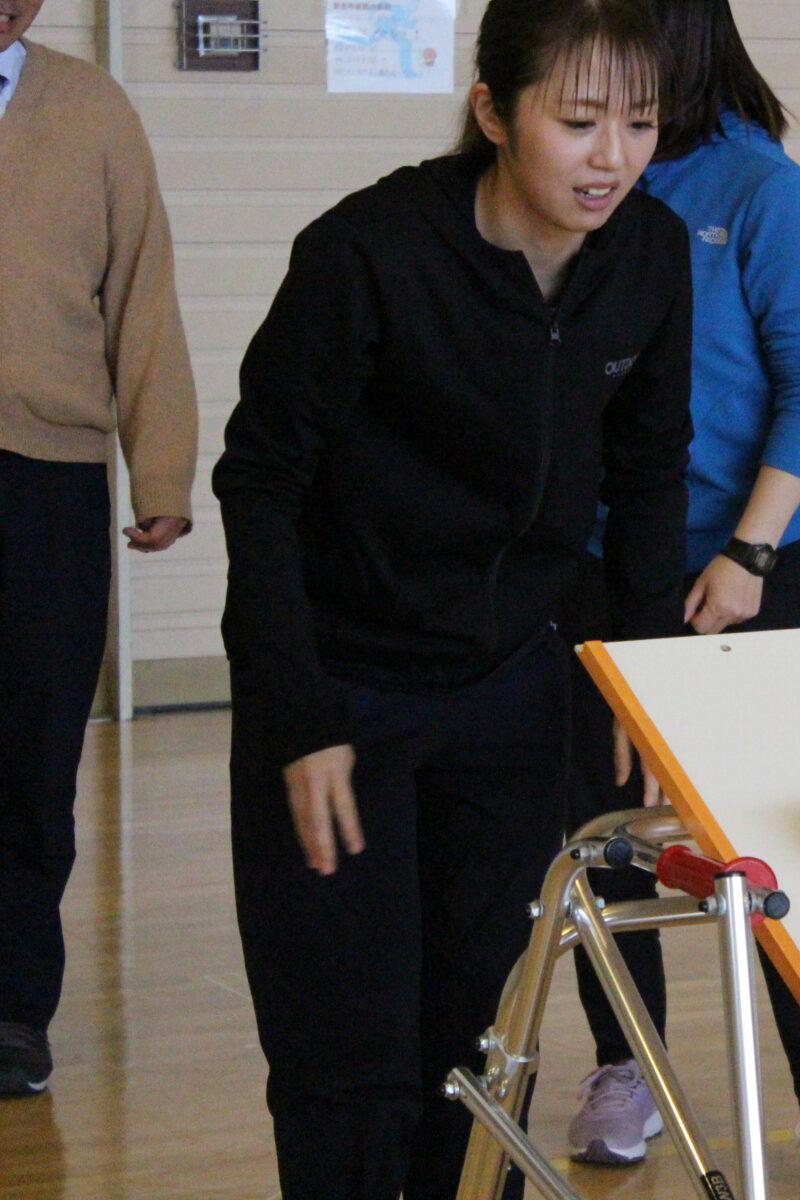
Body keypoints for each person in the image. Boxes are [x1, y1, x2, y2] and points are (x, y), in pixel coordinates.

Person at [210, 0, 691, 1193]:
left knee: (482, 1035)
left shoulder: (652, 255)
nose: (612, 156)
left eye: (638, 122)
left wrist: (643, 678)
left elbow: (647, 474)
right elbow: (260, 481)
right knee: (347, 1047)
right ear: (493, 112)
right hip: (346, 690)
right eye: (579, 121)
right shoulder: (367, 254)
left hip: (512, 691)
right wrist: (297, 713)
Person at [557, 3, 800, 1197]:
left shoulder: (762, 190)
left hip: (752, 558)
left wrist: (747, 553)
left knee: (771, 834)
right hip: (606, 559)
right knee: (604, 830)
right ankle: (622, 1063)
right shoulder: (584, 178)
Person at [0, 0, 198, 1097]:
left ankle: (14, 1008)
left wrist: (160, 467)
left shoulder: (93, 111)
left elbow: (145, 300)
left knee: (32, 759)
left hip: (47, 481)